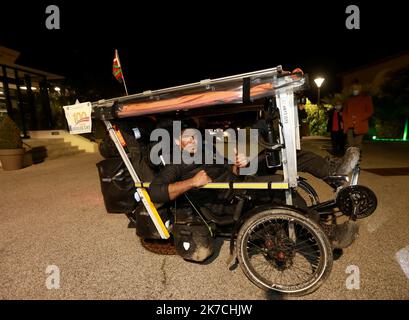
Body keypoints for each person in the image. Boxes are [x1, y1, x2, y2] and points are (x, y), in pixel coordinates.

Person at [148, 120, 360, 213]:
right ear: (177, 143)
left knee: (281, 155)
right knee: (279, 184)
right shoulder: (176, 164)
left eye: (194, 135)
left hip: (239, 179)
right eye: (187, 138)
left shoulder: (207, 151)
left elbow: (231, 169)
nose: (193, 139)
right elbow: (155, 192)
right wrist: (192, 182)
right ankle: (319, 230)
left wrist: (239, 164)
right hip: (231, 196)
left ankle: (332, 171)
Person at [343, 79, 374, 149]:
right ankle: (351, 158)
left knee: (358, 144)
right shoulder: (349, 99)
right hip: (349, 124)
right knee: (350, 144)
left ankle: (357, 158)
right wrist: (346, 120)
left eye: (356, 88)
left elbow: (370, 111)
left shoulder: (366, 98)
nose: (355, 90)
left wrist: (360, 117)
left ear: (360, 88)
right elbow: (345, 111)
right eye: (353, 88)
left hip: (360, 124)